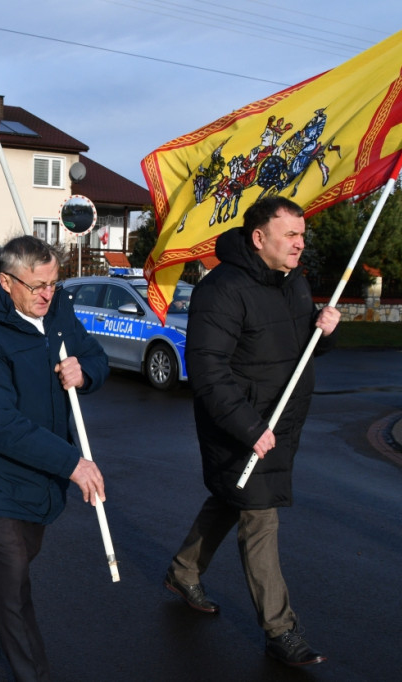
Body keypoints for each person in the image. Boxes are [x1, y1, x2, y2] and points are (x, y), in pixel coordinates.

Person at [163, 196, 341, 666]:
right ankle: (281, 631)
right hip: (240, 425)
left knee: (230, 497)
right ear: (259, 238)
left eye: (302, 235)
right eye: (291, 236)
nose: (300, 244)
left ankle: (184, 571)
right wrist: (247, 426)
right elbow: (206, 369)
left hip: (280, 423)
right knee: (259, 517)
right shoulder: (221, 290)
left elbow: (300, 350)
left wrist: (325, 331)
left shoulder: (293, 282)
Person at [0, 235, 109, 681]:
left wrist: (85, 370)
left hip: (40, 462)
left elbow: (94, 356)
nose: (47, 295)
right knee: (14, 577)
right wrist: (73, 463)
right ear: (5, 282)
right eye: (36, 286)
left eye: (53, 283)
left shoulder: (58, 311)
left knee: (24, 550)